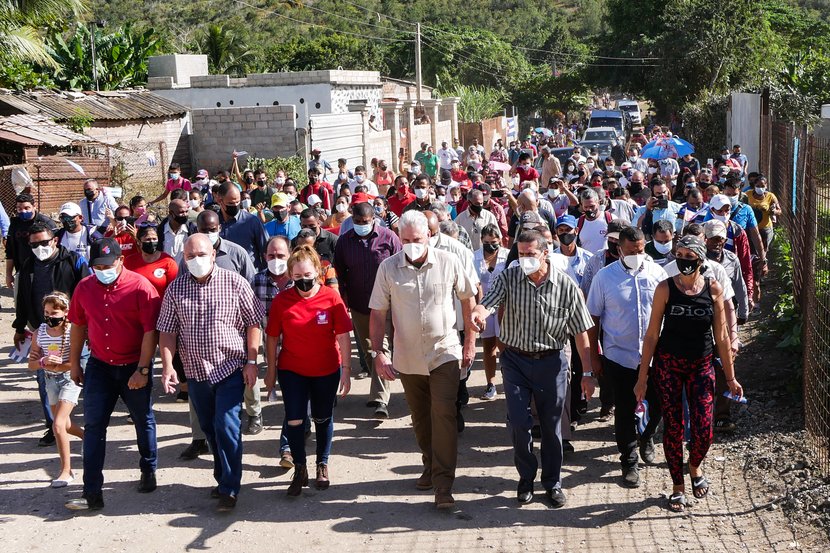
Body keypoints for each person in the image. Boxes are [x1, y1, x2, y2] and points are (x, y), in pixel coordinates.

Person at [470, 229, 595, 507]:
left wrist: (587, 373)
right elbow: (487, 303)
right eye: (521, 254)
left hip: (551, 362)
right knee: (518, 422)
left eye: (531, 255)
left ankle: (552, 482)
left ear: (545, 254)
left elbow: (580, 334)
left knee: (552, 427)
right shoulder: (508, 278)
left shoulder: (566, 286)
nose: (525, 259)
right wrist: (478, 313)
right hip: (515, 360)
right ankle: (526, 478)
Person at [368, 210, 477, 509]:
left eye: (417, 239)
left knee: (443, 413)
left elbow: (469, 299)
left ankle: (443, 484)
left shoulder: (449, 261)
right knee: (421, 418)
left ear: (429, 236)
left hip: (444, 352)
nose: (412, 245)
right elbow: (378, 313)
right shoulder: (388, 269)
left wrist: (470, 342)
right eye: (405, 240)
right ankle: (430, 464)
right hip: (408, 357)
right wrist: (378, 352)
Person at [635, 235, 743, 512]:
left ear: (699, 259)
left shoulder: (713, 288)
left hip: (702, 364)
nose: (683, 260)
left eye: (688, 255)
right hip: (668, 364)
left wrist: (730, 378)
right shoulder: (665, 289)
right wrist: (642, 377)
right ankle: (677, 486)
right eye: (679, 254)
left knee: (704, 427)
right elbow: (651, 335)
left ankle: (694, 466)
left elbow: (720, 336)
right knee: (673, 426)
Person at [159, 234, 265, 511]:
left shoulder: (235, 283)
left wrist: (251, 361)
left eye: (202, 254)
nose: (197, 260)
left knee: (227, 425)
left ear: (214, 253)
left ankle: (230, 488)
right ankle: (223, 478)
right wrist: (168, 365)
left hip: (229, 368)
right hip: (195, 372)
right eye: (190, 256)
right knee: (209, 428)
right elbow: (168, 332)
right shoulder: (175, 289)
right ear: (183, 257)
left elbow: (254, 323)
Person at [65, 238, 161, 511]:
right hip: (100, 366)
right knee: (94, 427)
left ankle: (148, 467)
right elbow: (78, 326)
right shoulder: (84, 288)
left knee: (143, 420)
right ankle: (92, 491)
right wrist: (74, 363)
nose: (102, 269)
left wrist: (143, 369)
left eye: (108, 264)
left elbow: (149, 331)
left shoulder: (141, 287)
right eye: (97, 265)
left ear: (120, 260)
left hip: (133, 364)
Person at [265, 245, 352, 496]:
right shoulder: (282, 300)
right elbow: (271, 338)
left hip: (326, 369)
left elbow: (344, 336)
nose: (303, 282)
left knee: (323, 418)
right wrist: (270, 372)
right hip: (292, 370)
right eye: (297, 277)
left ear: (317, 271)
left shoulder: (331, 297)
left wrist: (346, 369)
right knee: (294, 419)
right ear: (290, 276)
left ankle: (321, 464)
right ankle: (300, 468)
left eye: (307, 276)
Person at [586, 226, 668, 489]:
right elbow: (593, 319)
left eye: (641, 249)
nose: (637, 254)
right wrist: (594, 357)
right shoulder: (604, 278)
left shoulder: (658, 273)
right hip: (619, 356)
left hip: (655, 357)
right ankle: (629, 460)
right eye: (632, 250)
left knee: (657, 404)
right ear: (619, 249)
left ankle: (648, 435)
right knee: (624, 409)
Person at [12, 222, 86, 447]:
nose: (39, 247)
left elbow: (88, 291)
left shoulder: (73, 261)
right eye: (34, 244)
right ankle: (54, 426)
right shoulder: (28, 266)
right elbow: (23, 298)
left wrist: (89, 328)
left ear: (55, 240)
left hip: (74, 331)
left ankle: (89, 426)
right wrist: (19, 327)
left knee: (79, 375)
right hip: (42, 331)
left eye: (44, 242)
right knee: (45, 378)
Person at [333, 202, 401, 418]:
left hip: (388, 304)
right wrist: (343, 302)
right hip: (360, 305)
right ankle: (380, 383)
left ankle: (380, 398)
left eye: (365, 222)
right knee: (369, 349)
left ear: (374, 219)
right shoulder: (345, 241)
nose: (361, 225)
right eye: (357, 222)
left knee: (381, 348)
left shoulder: (389, 237)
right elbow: (340, 274)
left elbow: (401, 266)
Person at [28, 291, 84, 488]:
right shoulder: (39, 333)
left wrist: (63, 365)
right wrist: (43, 361)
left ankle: (66, 471)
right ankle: (86, 436)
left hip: (69, 380)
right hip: (49, 380)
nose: (50, 317)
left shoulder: (73, 331)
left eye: (54, 313)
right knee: (65, 425)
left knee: (58, 425)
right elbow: (31, 364)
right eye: (46, 312)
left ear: (65, 312)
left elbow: (79, 362)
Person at [472, 224, 509, 400]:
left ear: (500, 240)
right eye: (486, 242)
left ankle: (509, 381)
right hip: (484, 307)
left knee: (505, 346)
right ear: (481, 241)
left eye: (494, 242)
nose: (490, 246)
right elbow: (475, 285)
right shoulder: (475, 258)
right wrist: (479, 310)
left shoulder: (507, 256)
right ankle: (491, 383)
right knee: (488, 346)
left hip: (504, 306)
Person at [5, 193, 57, 290]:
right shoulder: (15, 224)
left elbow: (57, 248)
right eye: (19, 208)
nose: (23, 211)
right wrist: (8, 275)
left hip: (44, 270)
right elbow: (10, 251)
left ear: (34, 206)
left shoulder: (46, 223)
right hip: (22, 270)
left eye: (27, 208)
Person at [158, 199, 194, 264]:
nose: (185, 214)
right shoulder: (160, 232)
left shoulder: (192, 230)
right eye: (181, 212)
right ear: (171, 213)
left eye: (186, 211)